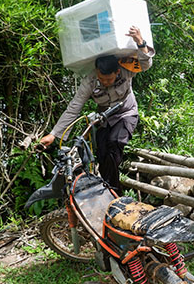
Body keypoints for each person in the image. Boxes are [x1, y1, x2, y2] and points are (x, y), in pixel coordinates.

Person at [39, 26, 154, 193]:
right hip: (105, 118)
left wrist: (140, 42)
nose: (105, 82)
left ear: (117, 72)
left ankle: (114, 191)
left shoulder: (126, 69)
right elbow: (74, 108)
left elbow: (145, 64)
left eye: (108, 79)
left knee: (115, 144)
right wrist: (54, 134)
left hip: (126, 113)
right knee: (102, 153)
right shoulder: (90, 81)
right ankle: (108, 189)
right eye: (101, 78)